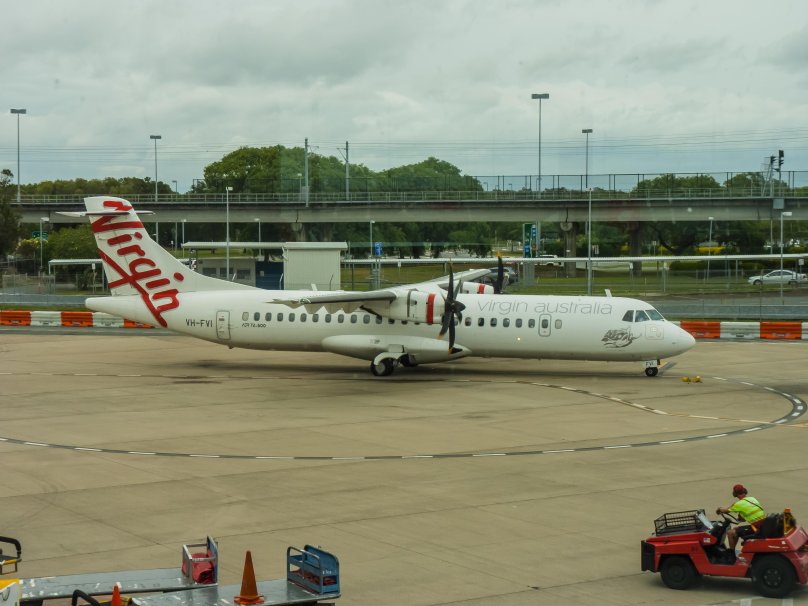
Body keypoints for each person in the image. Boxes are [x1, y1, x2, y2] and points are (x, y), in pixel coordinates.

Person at [716, 484, 766, 552]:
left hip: (756, 528)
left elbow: (725, 510)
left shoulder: (739, 504)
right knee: (735, 529)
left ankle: (731, 554)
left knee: (730, 533)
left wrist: (719, 509)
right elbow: (747, 515)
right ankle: (733, 551)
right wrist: (740, 518)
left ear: (735, 494)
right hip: (762, 525)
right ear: (745, 491)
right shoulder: (752, 499)